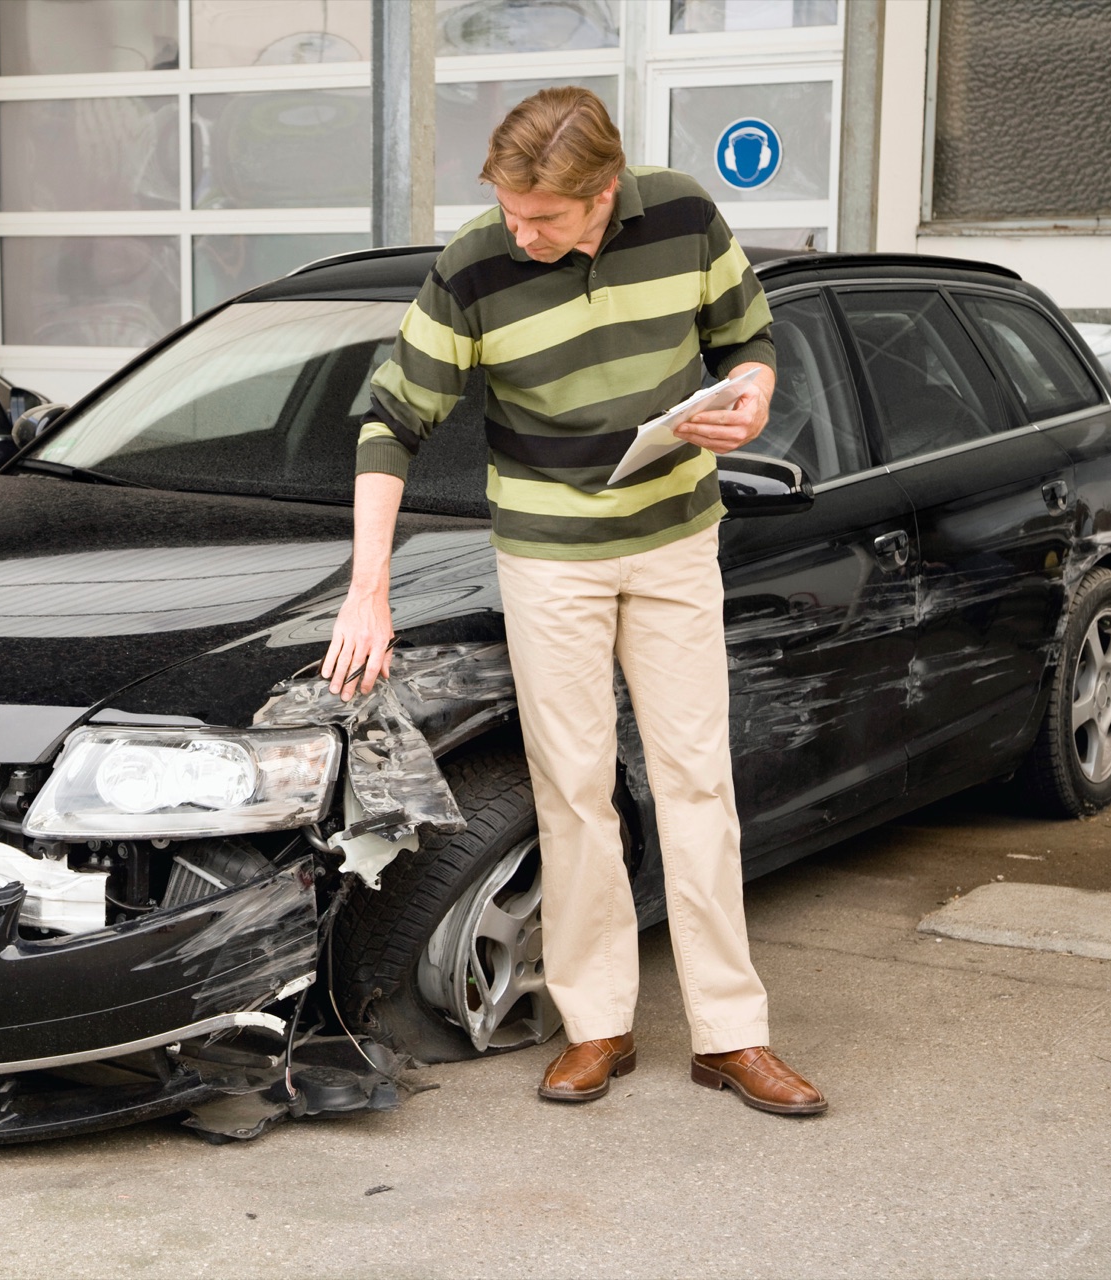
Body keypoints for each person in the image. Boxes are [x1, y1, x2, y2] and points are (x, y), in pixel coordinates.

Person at [322, 86, 824, 1116]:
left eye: (542, 217)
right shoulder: (474, 264)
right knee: (575, 788)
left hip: (678, 540)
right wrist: (366, 588)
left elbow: (750, 335)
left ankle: (733, 1033)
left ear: (605, 195)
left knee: (697, 783)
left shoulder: (682, 215)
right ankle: (598, 1024)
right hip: (551, 558)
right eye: (509, 208)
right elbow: (389, 418)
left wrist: (753, 395)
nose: (520, 229)